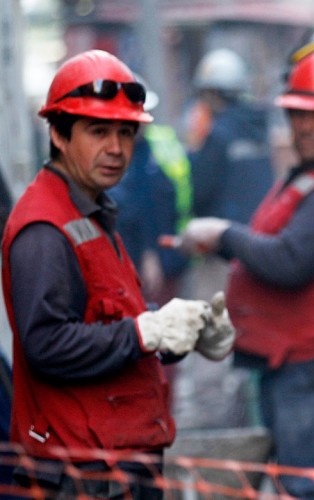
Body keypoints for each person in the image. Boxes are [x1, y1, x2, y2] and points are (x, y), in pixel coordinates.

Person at [0, 49, 235, 499]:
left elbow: (113, 324)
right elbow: (46, 344)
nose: (116, 148)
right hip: (81, 474)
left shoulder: (91, 212)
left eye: (126, 133)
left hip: (119, 463)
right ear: (59, 134)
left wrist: (179, 331)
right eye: (98, 131)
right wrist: (146, 332)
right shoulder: (45, 230)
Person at [176, 35, 314, 499]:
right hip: (297, 370)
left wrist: (223, 234)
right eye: (296, 114)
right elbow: (272, 243)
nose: (303, 126)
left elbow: (289, 261)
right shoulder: (311, 176)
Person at [174, 47, 275, 430]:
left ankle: (215, 421)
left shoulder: (217, 135)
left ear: (213, 93)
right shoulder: (259, 129)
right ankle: (248, 415)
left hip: (219, 253)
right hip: (256, 249)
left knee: (210, 333)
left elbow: (199, 191)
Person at [108, 77, 192, 307]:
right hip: (133, 259)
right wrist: (148, 253)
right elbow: (130, 208)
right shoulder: (119, 156)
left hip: (165, 253)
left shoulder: (149, 148)